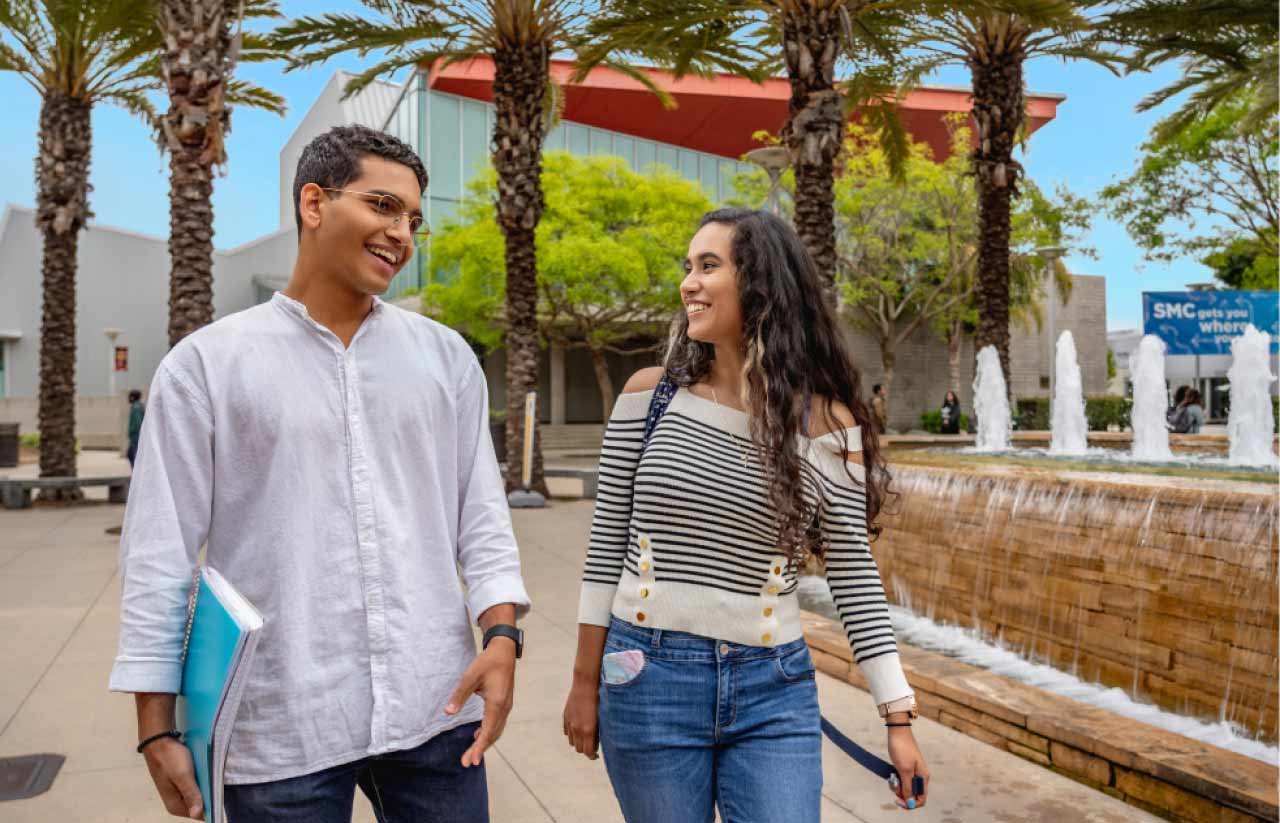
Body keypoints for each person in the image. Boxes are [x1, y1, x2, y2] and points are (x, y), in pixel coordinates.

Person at [110, 125, 530, 823]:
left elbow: (481, 517)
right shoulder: (206, 367)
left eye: (413, 219)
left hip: (437, 705)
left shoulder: (446, 359)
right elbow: (160, 556)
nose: (402, 232)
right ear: (314, 202)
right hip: (280, 726)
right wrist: (156, 725)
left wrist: (503, 636)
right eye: (382, 206)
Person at [562, 208, 929, 822]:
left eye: (709, 266)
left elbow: (854, 577)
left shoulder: (829, 425)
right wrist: (582, 682)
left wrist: (897, 715)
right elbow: (606, 548)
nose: (689, 283)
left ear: (761, 285)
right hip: (647, 679)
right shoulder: (647, 397)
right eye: (688, 267)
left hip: (774, 687)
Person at [126, 389, 145, 467]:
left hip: (136, 437)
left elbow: (138, 423)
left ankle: (136, 475)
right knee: (131, 455)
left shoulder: (136, 408)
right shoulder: (139, 406)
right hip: (136, 437)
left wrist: (131, 431)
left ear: (133, 397)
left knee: (134, 456)